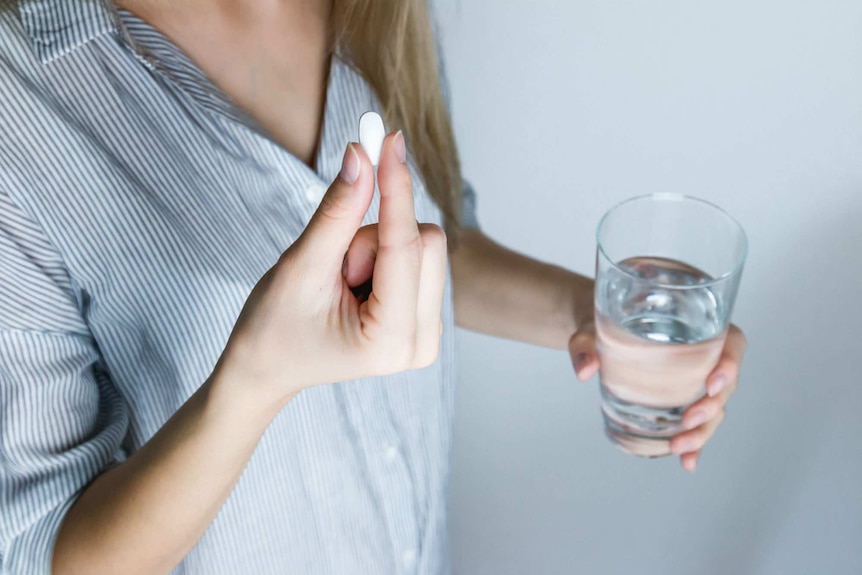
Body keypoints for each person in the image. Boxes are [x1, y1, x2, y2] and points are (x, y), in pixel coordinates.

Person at [0, 1, 747, 574]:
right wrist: (256, 379)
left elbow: (428, 243)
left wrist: (591, 316)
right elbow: (45, 549)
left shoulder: (381, 13)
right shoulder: (23, 99)